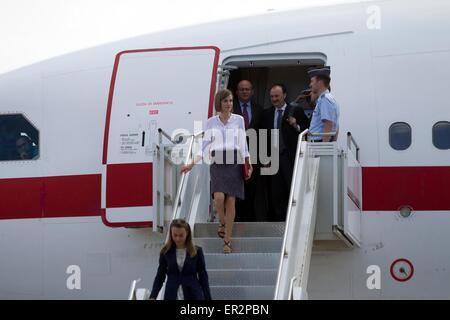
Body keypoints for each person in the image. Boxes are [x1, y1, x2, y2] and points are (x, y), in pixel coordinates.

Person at [181, 89, 252, 253]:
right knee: (219, 198)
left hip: (234, 160)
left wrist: (248, 162)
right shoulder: (211, 122)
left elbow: (243, 143)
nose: (229, 104)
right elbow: (204, 146)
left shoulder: (239, 120)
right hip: (218, 161)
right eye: (226, 101)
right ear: (219, 103)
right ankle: (222, 222)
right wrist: (191, 163)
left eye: (231, 101)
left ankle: (227, 241)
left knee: (231, 201)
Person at [262, 84, 310, 221]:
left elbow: (307, 130)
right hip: (273, 159)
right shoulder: (267, 113)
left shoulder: (296, 110)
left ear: (284, 95)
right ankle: (279, 221)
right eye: (272, 96)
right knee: (276, 192)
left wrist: (296, 125)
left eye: (277, 96)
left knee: (292, 188)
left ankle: (294, 219)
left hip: (291, 158)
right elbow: (263, 136)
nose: (274, 99)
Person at [149, 219, 211, 300]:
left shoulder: (197, 251)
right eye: (175, 235)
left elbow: (203, 277)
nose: (178, 239)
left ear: (187, 233)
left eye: (181, 235)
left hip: (193, 294)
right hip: (171, 294)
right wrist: (153, 296)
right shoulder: (165, 252)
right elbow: (160, 276)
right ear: (171, 234)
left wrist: (208, 297)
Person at [233, 80, 263, 222]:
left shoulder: (259, 109)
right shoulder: (230, 110)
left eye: (247, 89)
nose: (245, 91)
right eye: (242, 89)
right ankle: (237, 218)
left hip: (254, 155)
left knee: (252, 188)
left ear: (252, 91)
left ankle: (250, 218)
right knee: (236, 187)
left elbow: (264, 133)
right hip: (235, 155)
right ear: (237, 92)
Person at [308, 66, 340, 142]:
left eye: (312, 81)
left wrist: (324, 147)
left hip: (319, 144)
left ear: (319, 82)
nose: (310, 84)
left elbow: (328, 124)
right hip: (321, 143)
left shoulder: (325, 99)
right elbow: (336, 127)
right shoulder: (330, 98)